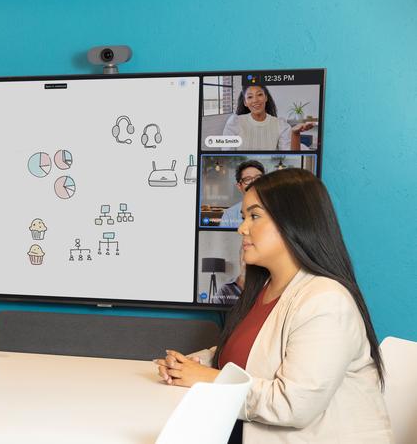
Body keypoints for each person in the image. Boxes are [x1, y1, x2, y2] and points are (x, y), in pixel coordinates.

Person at [155, 169, 392, 442]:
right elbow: (251, 354)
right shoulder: (265, 289)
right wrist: (191, 365)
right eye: (244, 217)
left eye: (254, 216)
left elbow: (293, 405)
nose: (241, 228)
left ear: (293, 222)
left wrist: (207, 378)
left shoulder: (326, 301)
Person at [222, 84, 314, 151]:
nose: (255, 100)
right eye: (250, 97)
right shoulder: (234, 122)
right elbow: (227, 154)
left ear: (266, 97)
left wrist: (295, 134)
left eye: (259, 94)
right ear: (245, 102)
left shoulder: (280, 124)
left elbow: (292, 156)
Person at [219, 160, 265, 228]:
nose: (254, 182)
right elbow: (225, 238)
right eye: (247, 179)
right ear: (239, 186)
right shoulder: (229, 215)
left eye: (258, 178)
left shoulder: (278, 210)